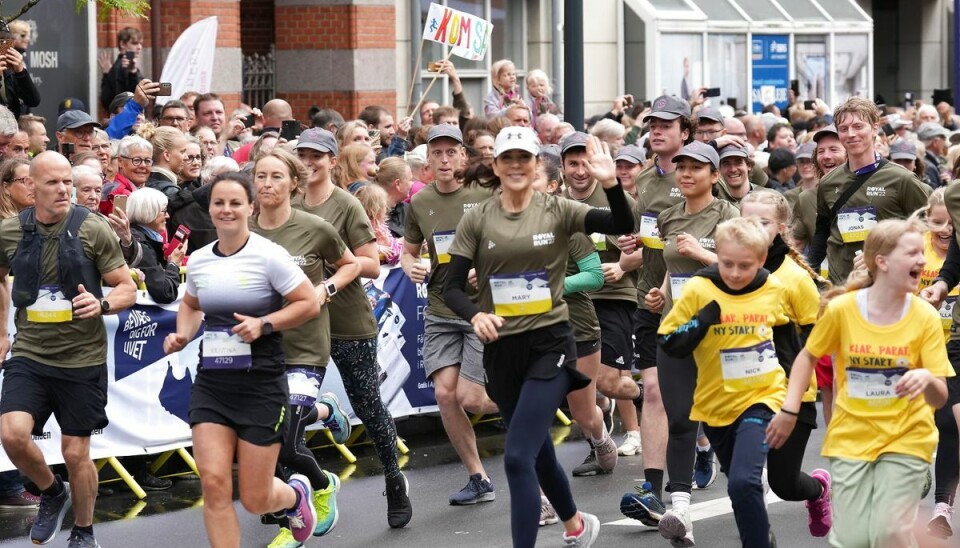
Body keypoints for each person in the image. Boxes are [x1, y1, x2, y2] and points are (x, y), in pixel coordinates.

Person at [444, 128, 632, 547]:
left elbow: (622, 223)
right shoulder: (477, 218)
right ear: (496, 166)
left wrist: (611, 183)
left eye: (523, 159)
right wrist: (475, 315)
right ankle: (576, 526)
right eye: (507, 158)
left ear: (535, 167)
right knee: (537, 449)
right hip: (501, 350)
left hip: (551, 344)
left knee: (516, 456)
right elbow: (451, 286)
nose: (515, 166)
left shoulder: (558, 209)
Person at [162, 171, 322, 547]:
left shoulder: (269, 256)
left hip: (261, 384)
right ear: (210, 209)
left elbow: (308, 303)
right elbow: (191, 304)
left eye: (236, 203)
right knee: (214, 483)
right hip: (213, 385)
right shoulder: (200, 260)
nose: (226, 210)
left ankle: (295, 496)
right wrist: (183, 334)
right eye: (219, 203)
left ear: (251, 207)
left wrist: (264, 324)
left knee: (255, 498)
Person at [768, 219, 950, 548]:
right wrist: (789, 410)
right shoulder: (842, 310)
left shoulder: (925, 317)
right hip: (852, 439)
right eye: (912, 253)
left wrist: (925, 378)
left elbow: (940, 397)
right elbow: (807, 357)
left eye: (922, 253)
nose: (923, 262)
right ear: (882, 262)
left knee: (888, 528)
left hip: (907, 439)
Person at [0, 151, 138, 548]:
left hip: (82, 359)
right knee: (12, 435)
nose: (64, 190)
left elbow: (125, 285)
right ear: (31, 187)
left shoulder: (93, 229)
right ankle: (52, 491)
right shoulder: (10, 231)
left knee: (76, 454)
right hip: (30, 355)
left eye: (67, 183)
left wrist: (104, 304)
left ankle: (83, 531)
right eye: (53, 183)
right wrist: (1, 333)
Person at [294, 127, 412, 528]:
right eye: (303, 156)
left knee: (368, 403)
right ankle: (293, 494)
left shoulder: (346, 204)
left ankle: (394, 479)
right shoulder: (286, 202)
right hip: (299, 320)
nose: (309, 163)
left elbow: (372, 263)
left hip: (346, 317)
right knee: (283, 407)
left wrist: (330, 267)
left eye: (317, 156)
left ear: (332, 160)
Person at [657, 217, 793, 547]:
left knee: (744, 483)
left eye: (744, 265)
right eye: (727, 263)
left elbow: (790, 341)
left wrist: (793, 398)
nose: (734, 273)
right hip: (716, 405)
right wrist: (702, 320)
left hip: (763, 397)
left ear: (761, 260)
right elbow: (669, 341)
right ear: (716, 254)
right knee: (739, 487)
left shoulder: (773, 288)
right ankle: (761, 536)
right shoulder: (699, 289)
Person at [250, 149, 362, 545]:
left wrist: (325, 287)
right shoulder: (243, 229)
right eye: (261, 176)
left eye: (276, 177)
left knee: (287, 442)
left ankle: (311, 500)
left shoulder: (315, 228)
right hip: (261, 351)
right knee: (267, 437)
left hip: (306, 347)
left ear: (293, 183)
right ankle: (325, 410)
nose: (267, 184)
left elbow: (352, 264)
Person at [401, 124, 499, 505]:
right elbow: (410, 250)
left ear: (463, 156)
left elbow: (509, 240)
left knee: (472, 399)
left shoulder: (483, 193)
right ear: (427, 160)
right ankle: (479, 478)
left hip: (479, 308)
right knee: (445, 395)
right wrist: (411, 263)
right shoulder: (419, 202)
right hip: (440, 307)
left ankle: (530, 403)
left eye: (450, 152)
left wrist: (486, 264)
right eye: (436, 153)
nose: (443, 159)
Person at [648, 140, 739, 546]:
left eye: (696, 168)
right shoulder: (668, 217)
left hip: (720, 330)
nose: (686, 174)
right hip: (677, 329)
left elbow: (740, 270)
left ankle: (749, 480)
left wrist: (703, 252)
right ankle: (680, 505)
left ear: (714, 176)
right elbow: (673, 268)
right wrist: (660, 293)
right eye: (681, 167)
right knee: (681, 416)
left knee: (725, 417)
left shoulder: (729, 215)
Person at [740, 191, 834, 539]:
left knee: (784, 485)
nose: (753, 229)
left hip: (790, 396)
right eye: (746, 221)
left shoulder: (795, 278)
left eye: (762, 223)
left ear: (780, 229)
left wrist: (795, 393)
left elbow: (816, 343)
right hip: (741, 391)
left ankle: (818, 490)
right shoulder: (731, 268)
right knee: (743, 477)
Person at [560, 132, 632, 477]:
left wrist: (622, 265)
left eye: (584, 162)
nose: (579, 170)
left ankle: (654, 389)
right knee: (582, 395)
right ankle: (599, 432)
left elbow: (649, 247)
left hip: (614, 295)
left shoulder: (614, 198)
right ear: (561, 168)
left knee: (608, 382)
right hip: (570, 305)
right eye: (572, 163)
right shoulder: (557, 206)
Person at [807, 98, 930, 286]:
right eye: (843, 128)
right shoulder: (828, 182)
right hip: (840, 287)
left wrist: (885, 255)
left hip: (886, 286)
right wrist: (809, 275)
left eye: (858, 126)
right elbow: (822, 233)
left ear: (875, 128)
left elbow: (926, 233)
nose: (851, 134)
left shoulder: (902, 179)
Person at [126, 187, 184, 304]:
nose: (167, 216)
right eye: (164, 211)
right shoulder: (141, 244)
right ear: (149, 212)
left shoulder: (143, 238)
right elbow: (165, 292)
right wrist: (173, 264)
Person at [99, 27, 144, 110]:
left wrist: (106, 75)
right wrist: (132, 73)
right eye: (135, 43)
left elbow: (105, 100)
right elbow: (137, 96)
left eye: (140, 43)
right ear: (122, 44)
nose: (139, 47)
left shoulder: (116, 67)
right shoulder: (123, 67)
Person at [0, 33, 39, 118]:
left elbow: (33, 101)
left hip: (13, 127)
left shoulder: (10, 72)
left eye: (6, 45)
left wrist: (21, 72)